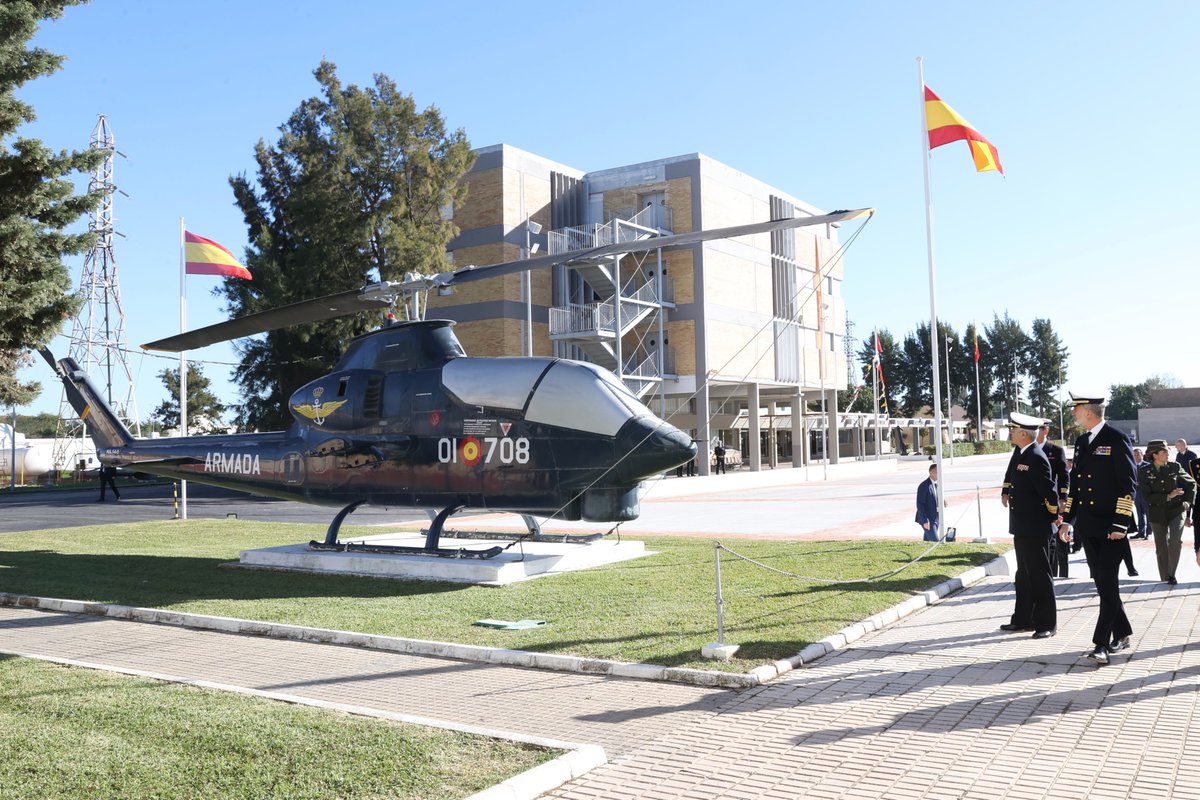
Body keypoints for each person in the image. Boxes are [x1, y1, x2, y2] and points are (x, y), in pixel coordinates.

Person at [1058, 392, 1137, 666]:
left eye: (1076, 410)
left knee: (1108, 583)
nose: (1073, 415)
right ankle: (1123, 632)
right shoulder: (1082, 442)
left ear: (1088, 412)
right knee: (1104, 585)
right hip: (1089, 527)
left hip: (1111, 528)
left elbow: (1128, 484)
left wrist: (1121, 523)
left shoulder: (1116, 439)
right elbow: (1076, 485)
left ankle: (1101, 644)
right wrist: (1068, 518)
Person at [999, 412, 1059, 638]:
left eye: (1013, 430)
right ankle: (1023, 619)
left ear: (1023, 433)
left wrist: (1053, 516)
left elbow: (1049, 493)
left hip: (1036, 527)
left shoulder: (1035, 456)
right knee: (1023, 575)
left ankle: (1047, 624)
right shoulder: (1022, 453)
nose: (1010, 433)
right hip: (1022, 526)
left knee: (1040, 576)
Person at [1139, 439, 1196, 585]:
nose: (1167, 454)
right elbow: (1147, 496)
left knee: (1175, 541)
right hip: (1157, 512)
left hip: (1177, 510)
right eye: (1164, 452)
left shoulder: (1174, 467)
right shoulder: (1144, 472)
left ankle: (1171, 574)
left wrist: (1188, 503)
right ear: (1154, 454)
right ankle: (1164, 577)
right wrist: (1168, 496)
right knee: (1161, 546)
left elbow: (1192, 483)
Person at [1038, 421, 1072, 577]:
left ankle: (1063, 575)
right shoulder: (1026, 449)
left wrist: (1063, 498)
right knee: (1044, 540)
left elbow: (1064, 476)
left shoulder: (1055, 450)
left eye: (1037, 428)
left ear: (1045, 430)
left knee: (1060, 539)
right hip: (1036, 502)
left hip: (1055, 501)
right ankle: (1048, 574)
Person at [915, 463, 939, 542]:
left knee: (928, 541)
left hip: (936, 517)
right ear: (931, 472)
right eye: (937, 471)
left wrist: (943, 500)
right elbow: (920, 504)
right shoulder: (924, 486)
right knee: (935, 541)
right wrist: (925, 520)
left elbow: (935, 495)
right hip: (927, 518)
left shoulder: (937, 484)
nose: (939, 473)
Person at [1130, 448, 1150, 539]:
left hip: (1145, 493)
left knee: (1148, 512)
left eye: (1138, 454)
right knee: (1139, 513)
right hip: (1136, 493)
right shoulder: (1131, 465)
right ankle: (1141, 532)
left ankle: (1149, 532)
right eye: (1134, 455)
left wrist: (1141, 483)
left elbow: (1151, 479)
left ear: (1142, 455)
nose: (1136, 457)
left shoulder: (1148, 466)